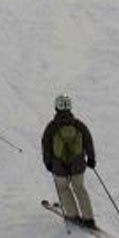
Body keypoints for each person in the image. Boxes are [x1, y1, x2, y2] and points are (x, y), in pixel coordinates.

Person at [41, 95, 97, 228]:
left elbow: (46, 145)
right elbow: (88, 141)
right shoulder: (79, 125)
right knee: (80, 188)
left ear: (56, 108)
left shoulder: (51, 127)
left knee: (63, 189)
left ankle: (72, 214)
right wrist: (91, 158)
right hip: (78, 164)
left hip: (59, 166)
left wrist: (48, 162)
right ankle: (88, 218)